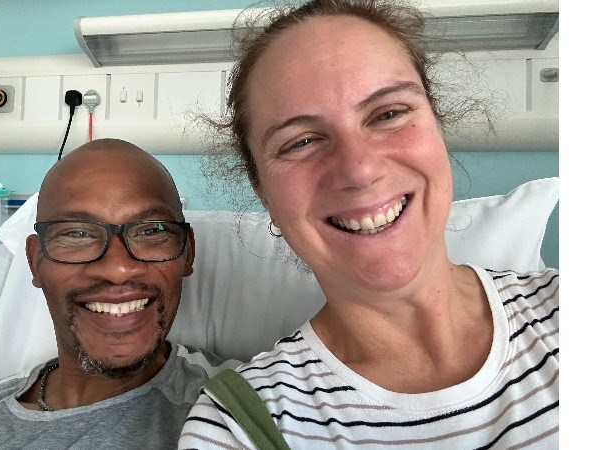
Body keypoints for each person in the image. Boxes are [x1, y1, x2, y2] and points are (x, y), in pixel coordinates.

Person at [179, 0, 559, 448]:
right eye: (302, 141)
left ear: (437, 126)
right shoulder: (237, 427)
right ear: (264, 195)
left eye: (388, 114)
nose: (359, 171)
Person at [0, 138, 236, 449]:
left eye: (151, 230)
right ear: (35, 262)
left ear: (188, 252)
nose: (117, 269)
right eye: (77, 234)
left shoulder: (242, 417)